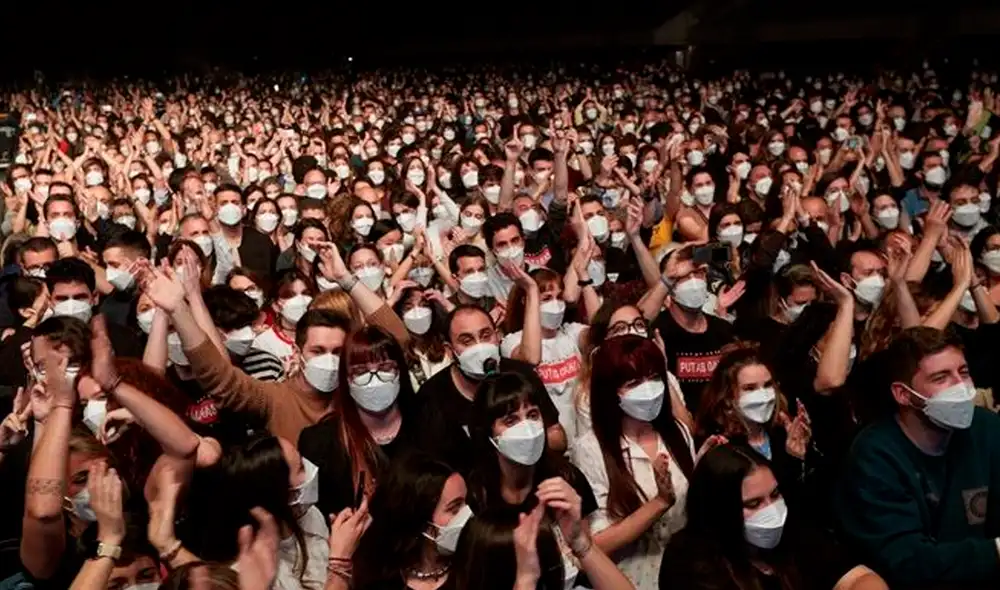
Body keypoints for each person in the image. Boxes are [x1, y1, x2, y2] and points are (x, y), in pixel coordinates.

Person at [837, 327, 1000, 587]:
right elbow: (908, 561)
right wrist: (996, 551)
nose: (961, 386)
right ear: (904, 394)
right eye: (941, 378)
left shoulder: (987, 428)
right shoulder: (874, 457)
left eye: (964, 372)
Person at [660, 442, 887, 590]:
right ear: (720, 510)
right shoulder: (687, 562)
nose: (771, 510)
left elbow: (858, 578)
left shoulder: (793, 531)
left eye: (775, 494)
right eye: (754, 503)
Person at [572, 334, 698, 589]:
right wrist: (659, 503)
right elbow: (593, 546)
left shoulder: (678, 432)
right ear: (610, 391)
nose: (648, 389)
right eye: (633, 382)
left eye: (653, 378)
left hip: (686, 576)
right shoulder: (590, 449)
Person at [415, 305, 566, 475]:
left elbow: (557, 436)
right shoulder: (432, 397)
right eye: (467, 341)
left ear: (497, 336)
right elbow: (434, 473)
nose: (480, 347)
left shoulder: (522, 375)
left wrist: (525, 441)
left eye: (486, 336)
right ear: (450, 351)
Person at [298, 326, 420, 517]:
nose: (374, 379)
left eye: (385, 368)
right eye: (361, 371)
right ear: (346, 379)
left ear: (400, 372)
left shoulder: (430, 425)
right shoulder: (319, 442)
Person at [353, 452, 469, 590]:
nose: (467, 515)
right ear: (420, 518)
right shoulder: (377, 581)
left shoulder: (476, 573)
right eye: (454, 509)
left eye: (466, 504)